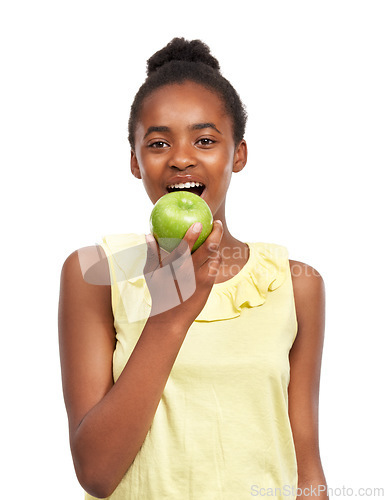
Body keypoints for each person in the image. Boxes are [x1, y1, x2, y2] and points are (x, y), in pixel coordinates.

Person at [58, 37, 328, 499]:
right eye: (159, 142)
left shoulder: (295, 284)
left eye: (205, 140)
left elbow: (306, 464)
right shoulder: (95, 272)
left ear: (238, 154)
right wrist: (170, 315)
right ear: (135, 162)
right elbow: (96, 473)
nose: (182, 157)